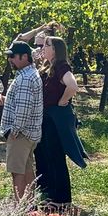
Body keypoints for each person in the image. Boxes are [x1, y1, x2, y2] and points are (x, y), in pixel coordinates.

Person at [35, 36, 87, 204]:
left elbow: (72, 86)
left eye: (47, 45)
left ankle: (62, 199)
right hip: (46, 118)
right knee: (47, 156)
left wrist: (62, 101)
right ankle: (51, 194)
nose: (43, 47)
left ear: (56, 49)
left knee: (56, 157)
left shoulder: (61, 66)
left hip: (55, 119)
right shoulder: (48, 66)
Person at [0, 40, 43, 200]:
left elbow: (24, 109)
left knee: (17, 172)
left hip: (21, 134)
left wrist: (14, 130)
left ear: (24, 56)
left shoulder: (25, 78)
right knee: (26, 169)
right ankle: (30, 205)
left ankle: (20, 208)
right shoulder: (31, 74)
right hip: (29, 133)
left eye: (12, 56)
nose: (10, 59)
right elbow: (24, 102)